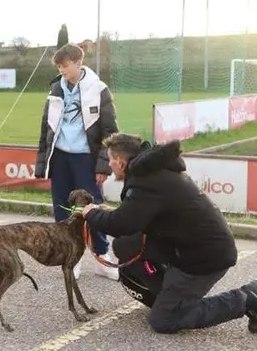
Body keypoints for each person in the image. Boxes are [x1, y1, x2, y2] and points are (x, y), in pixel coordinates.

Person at [81, 132, 257, 334]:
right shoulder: (152, 173)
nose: (109, 164)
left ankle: (246, 298)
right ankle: (169, 298)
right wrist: (110, 213)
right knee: (125, 245)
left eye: (110, 159)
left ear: (120, 161)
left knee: (164, 320)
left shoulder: (146, 181)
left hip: (203, 258)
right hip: (189, 247)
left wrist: (91, 214)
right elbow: (137, 217)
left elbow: (123, 224)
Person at [34, 42, 119, 281]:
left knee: (92, 209)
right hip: (60, 156)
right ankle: (73, 257)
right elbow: (46, 129)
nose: (61, 69)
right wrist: (42, 163)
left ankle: (103, 257)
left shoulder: (99, 89)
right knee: (63, 209)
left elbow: (110, 131)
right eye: (59, 66)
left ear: (79, 62)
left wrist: (103, 165)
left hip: (85, 158)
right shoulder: (55, 90)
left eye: (65, 65)